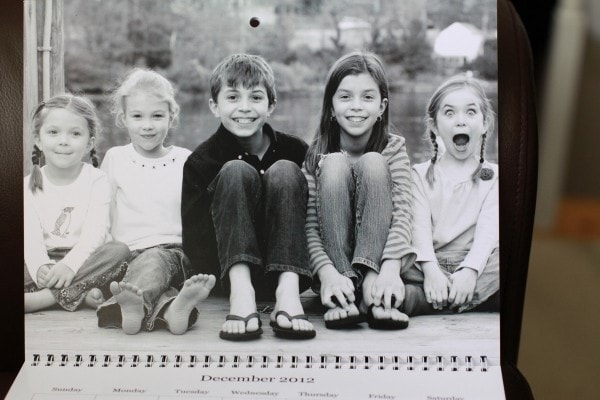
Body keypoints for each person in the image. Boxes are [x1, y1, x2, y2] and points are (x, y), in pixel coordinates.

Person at [182, 54, 315, 340]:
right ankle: (243, 295)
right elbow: (197, 243)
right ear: (214, 107)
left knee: (284, 171)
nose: (244, 108)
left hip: (290, 275)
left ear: (271, 105)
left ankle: (287, 293)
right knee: (235, 171)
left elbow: (314, 220)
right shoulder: (201, 162)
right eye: (232, 97)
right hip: (229, 279)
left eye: (255, 97)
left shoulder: (297, 150)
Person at [96, 68, 215, 335]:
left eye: (157, 116)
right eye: (137, 116)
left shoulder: (185, 160)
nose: (147, 125)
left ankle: (127, 308)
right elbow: (104, 212)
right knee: (141, 273)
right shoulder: (115, 158)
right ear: (123, 118)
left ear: (171, 117)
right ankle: (173, 311)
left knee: (154, 262)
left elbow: (198, 217)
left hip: (173, 254)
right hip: (126, 257)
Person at [303, 51, 416, 330]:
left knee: (374, 162)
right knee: (334, 164)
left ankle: (369, 290)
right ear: (330, 107)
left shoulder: (394, 150)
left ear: (382, 107)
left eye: (367, 97)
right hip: (333, 272)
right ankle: (341, 296)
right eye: (345, 97)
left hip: (379, 268)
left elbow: (403, 214)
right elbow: (309, 226)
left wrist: (389, 271)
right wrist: (328, 274)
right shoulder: (315, 156)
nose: (356, 106)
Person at [403, 74, 500, 315]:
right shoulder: (419, 174)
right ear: (434, 126)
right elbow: (419, 230)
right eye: (449, 113)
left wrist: (470, 270)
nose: (460, 121)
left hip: (480, 262)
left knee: (517, 253)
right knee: (396, 254)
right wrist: (431, 270)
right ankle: (472, 297)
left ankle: (425, 300)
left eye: (470, 112)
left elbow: (488, 234)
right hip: (426, 263)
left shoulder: (496, 176)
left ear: (485, 122)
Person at [24, 94, 130, 313]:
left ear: (90, 142)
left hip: (86, 261)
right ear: (38, 139)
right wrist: (39, 266)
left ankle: (46, 298)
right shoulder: (29, 185)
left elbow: (95, 234)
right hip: (44, 260)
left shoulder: (97, 180)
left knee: (119, 252)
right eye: (53, 132)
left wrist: (70, 266)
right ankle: (79, 293)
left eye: (75, 133)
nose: (64, 140)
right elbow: (30, 237)